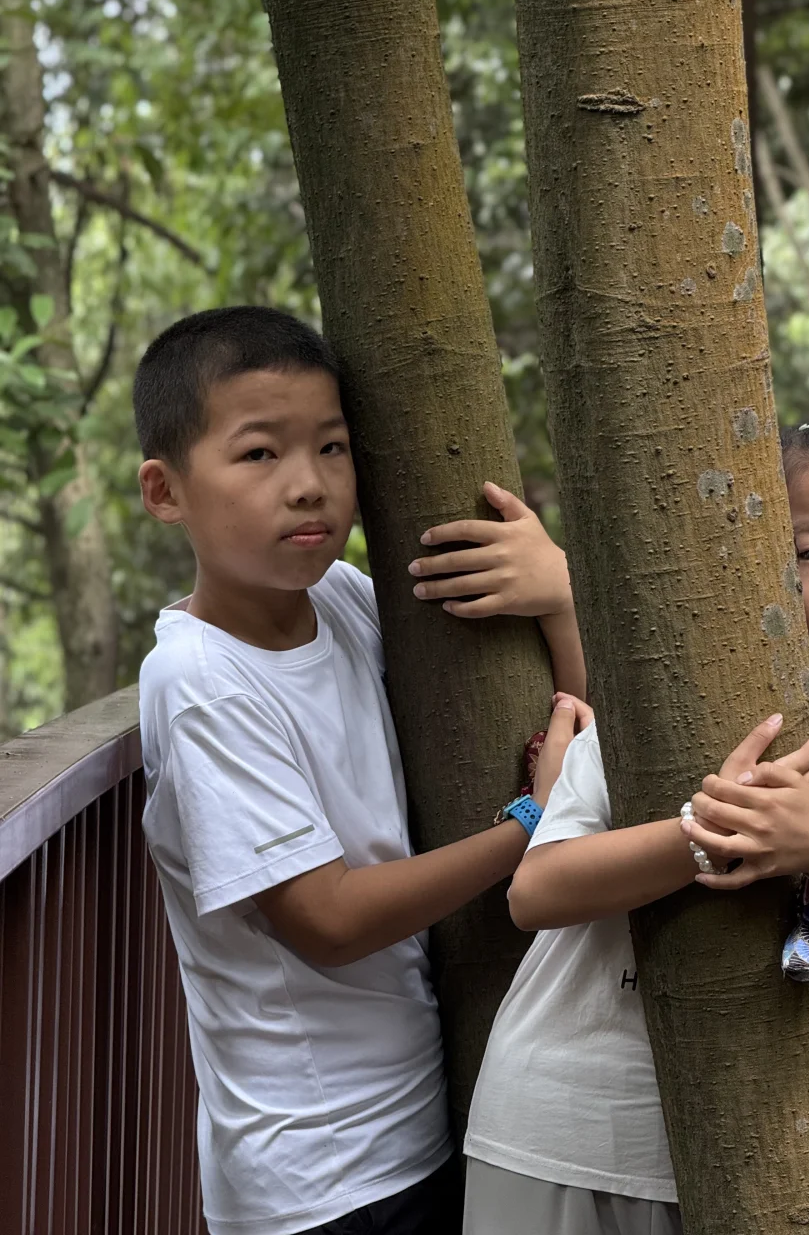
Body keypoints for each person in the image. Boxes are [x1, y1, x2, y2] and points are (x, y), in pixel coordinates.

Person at [408, 409, 809, 1235]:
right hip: (555, 1128)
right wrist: (708, 831)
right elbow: (536, 891)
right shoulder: (651, 715)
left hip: (758, 1153)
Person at [134, 305, 571, 1235]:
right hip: (322, 1171)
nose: (310, 486)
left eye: (332, 448)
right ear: (165, 491)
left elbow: (573, 725)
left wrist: (558, 592)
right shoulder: (199, 682)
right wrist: (527, 826)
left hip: (426, 1115)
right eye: (260, 455)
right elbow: (326, 921)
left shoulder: (341, 600)